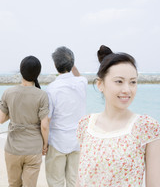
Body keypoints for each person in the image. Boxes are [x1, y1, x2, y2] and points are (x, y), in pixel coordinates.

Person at [76, 45, 160, 187]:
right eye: (119, 81)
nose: (127, 89)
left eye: (133, 82)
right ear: (100, 84)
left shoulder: (146, 127)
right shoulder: (86, 124)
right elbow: (80, 179)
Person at [0, 56, 49, 187]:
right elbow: (44, 125)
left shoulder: (8, 93)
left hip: (12, 148)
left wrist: (14, 108)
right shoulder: (42, 95)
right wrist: (45, 144)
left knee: (13, 184)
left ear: (21, 71)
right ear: (38, 73)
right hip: (33, 148)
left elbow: (1, 119)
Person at [45, 46, 88, 187]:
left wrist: (44, 143)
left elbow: (47, 118)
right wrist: (70, 63)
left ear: (55, 65)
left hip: (57, 141)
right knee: (74, 182)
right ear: (72, 63)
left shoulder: (52, 88)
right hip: (77, 140)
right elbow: (78, 75)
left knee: (55, 182)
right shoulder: (82, 82)